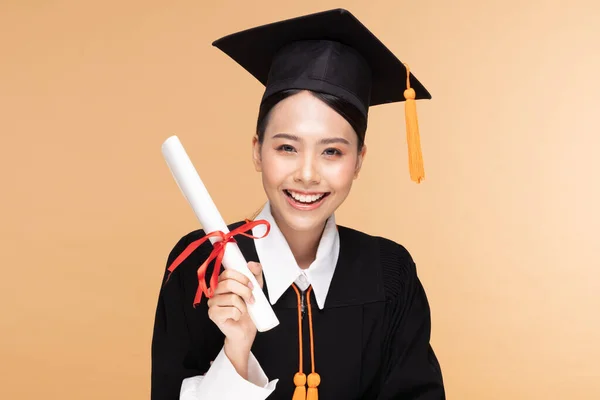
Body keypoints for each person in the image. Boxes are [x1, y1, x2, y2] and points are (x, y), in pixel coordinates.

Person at [151, 8, 445, 400]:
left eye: (332, 152)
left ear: (358, 160)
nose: (307, 174)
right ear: (257, 151)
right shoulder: (203, 268)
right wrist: (235, 352)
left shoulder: (390, 274)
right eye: (287, 147)